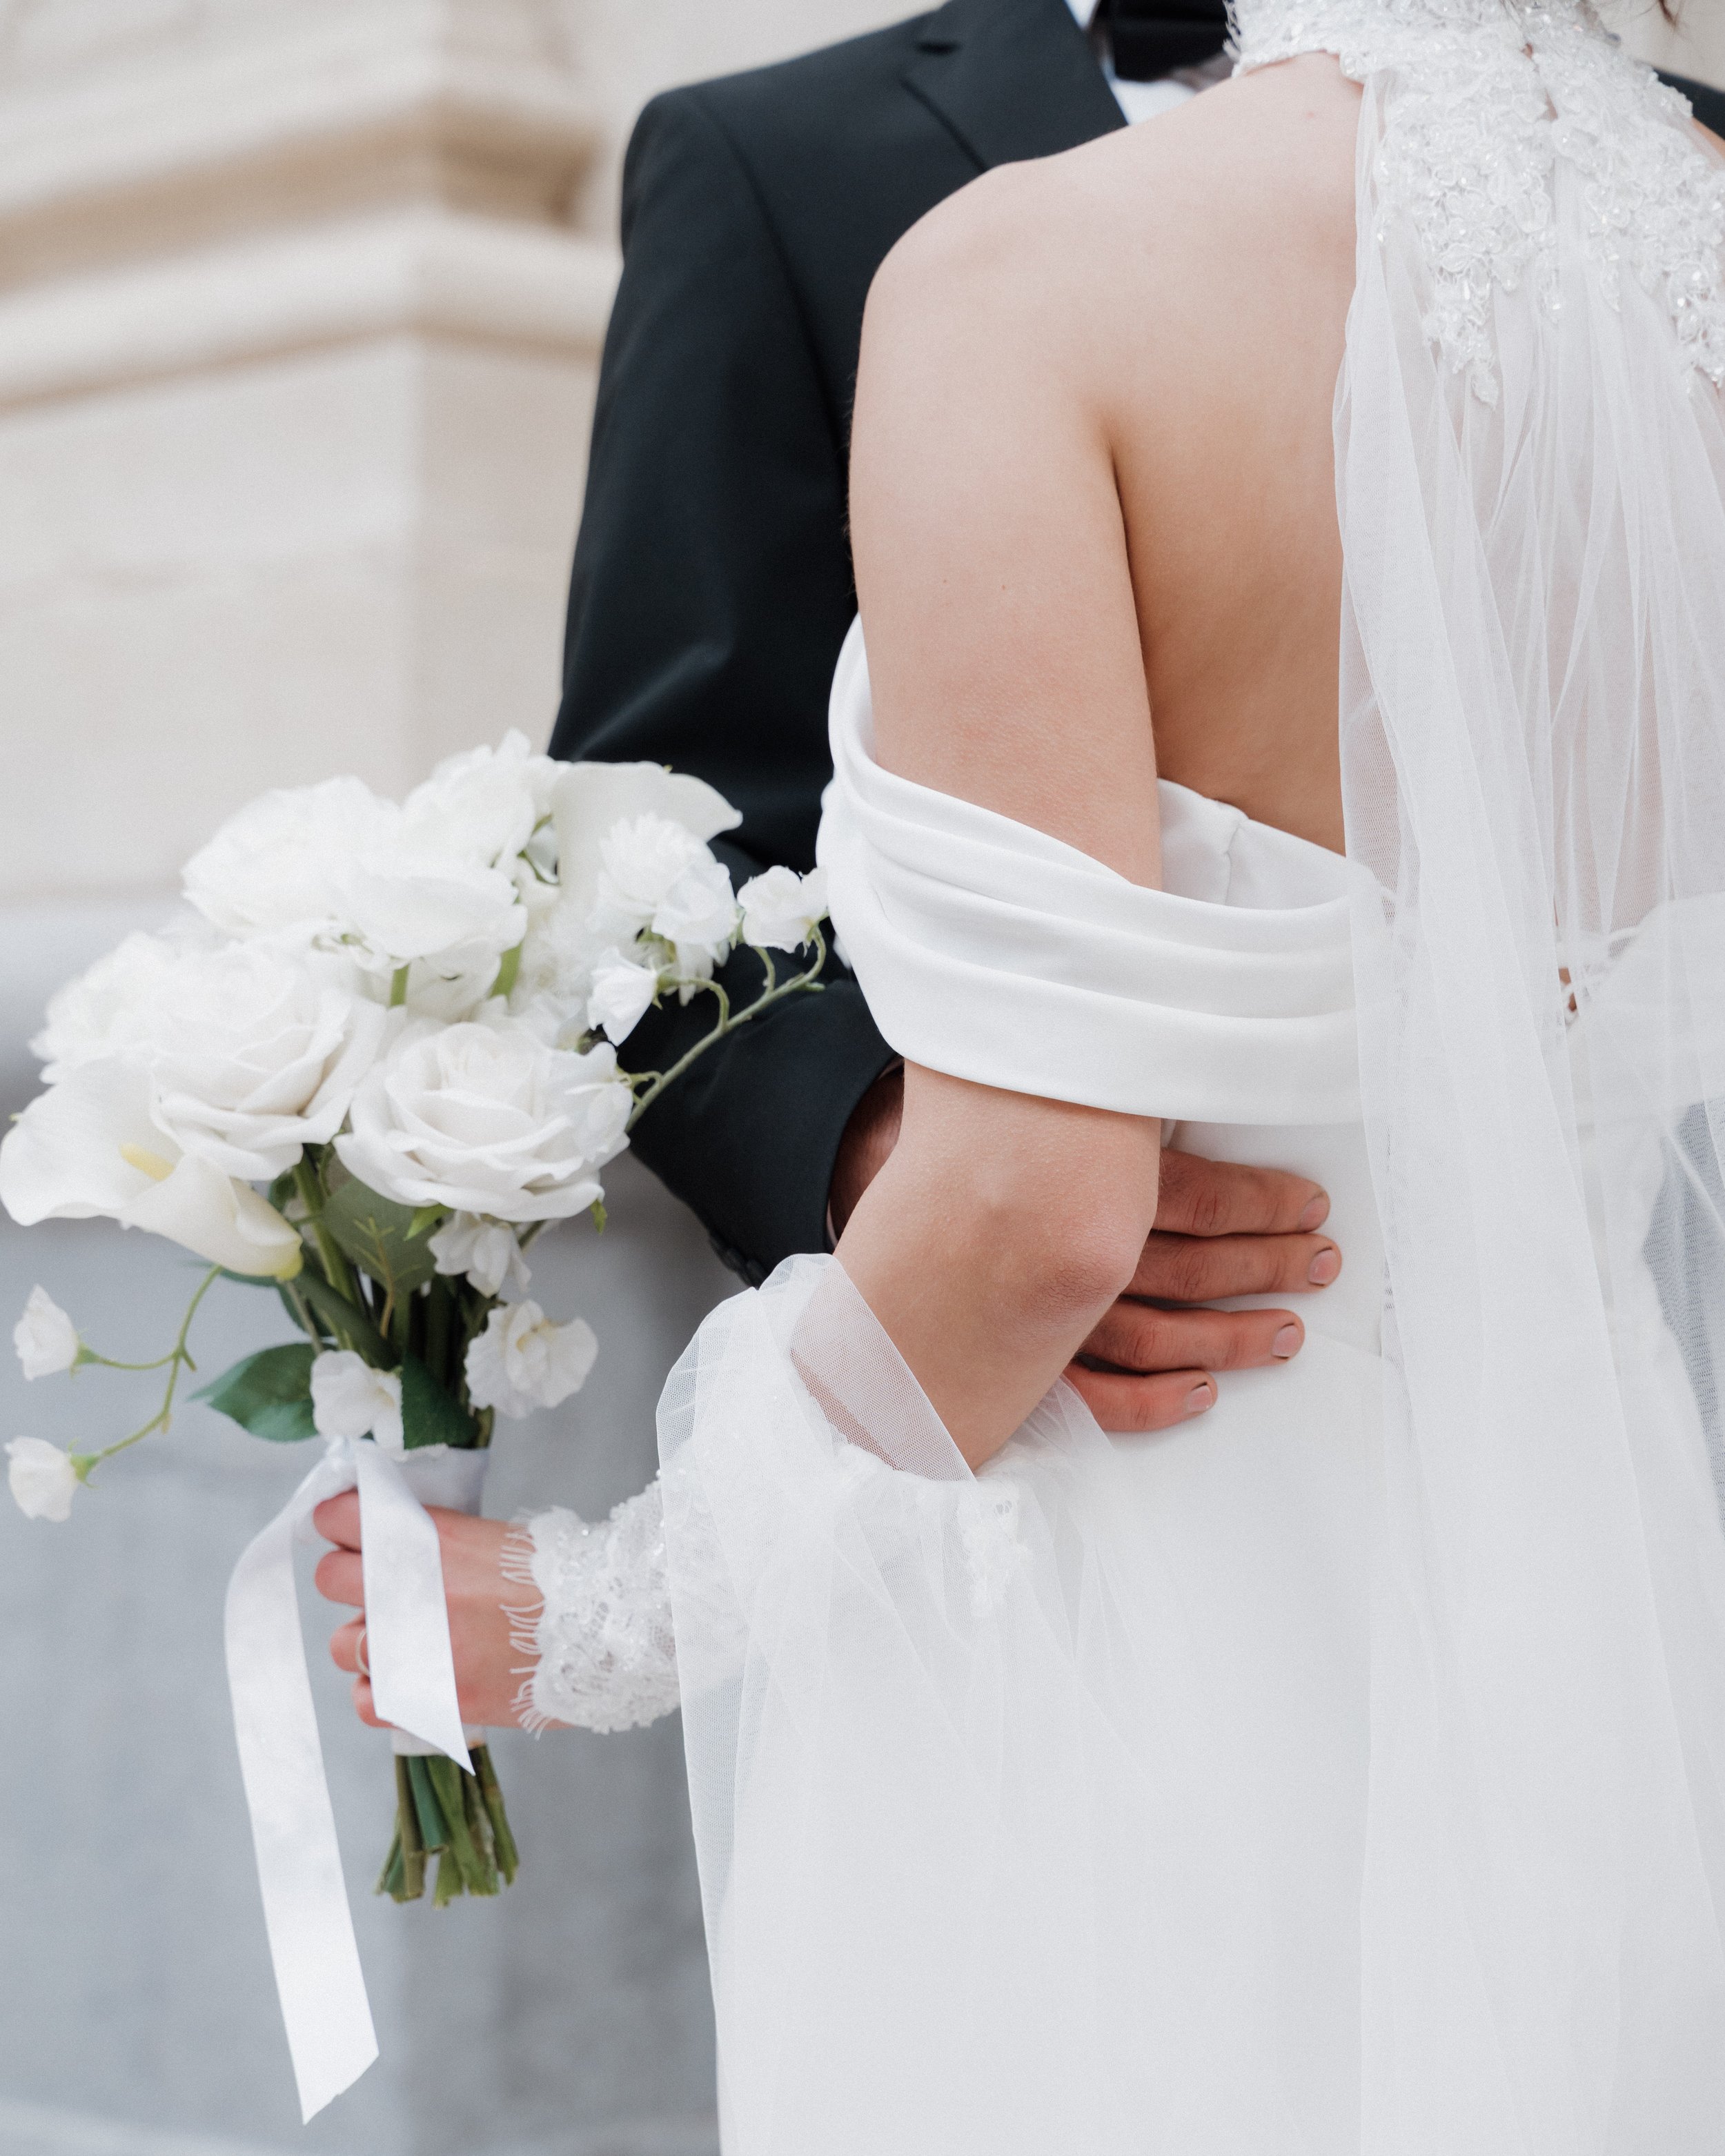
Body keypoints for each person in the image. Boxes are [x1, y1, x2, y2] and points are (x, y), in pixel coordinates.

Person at [321, 0, 1725, 2143]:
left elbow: (1039, 1215)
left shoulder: (1027, 277)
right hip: (1604, 1574)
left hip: (1145, 1590)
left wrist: (597, 1614)